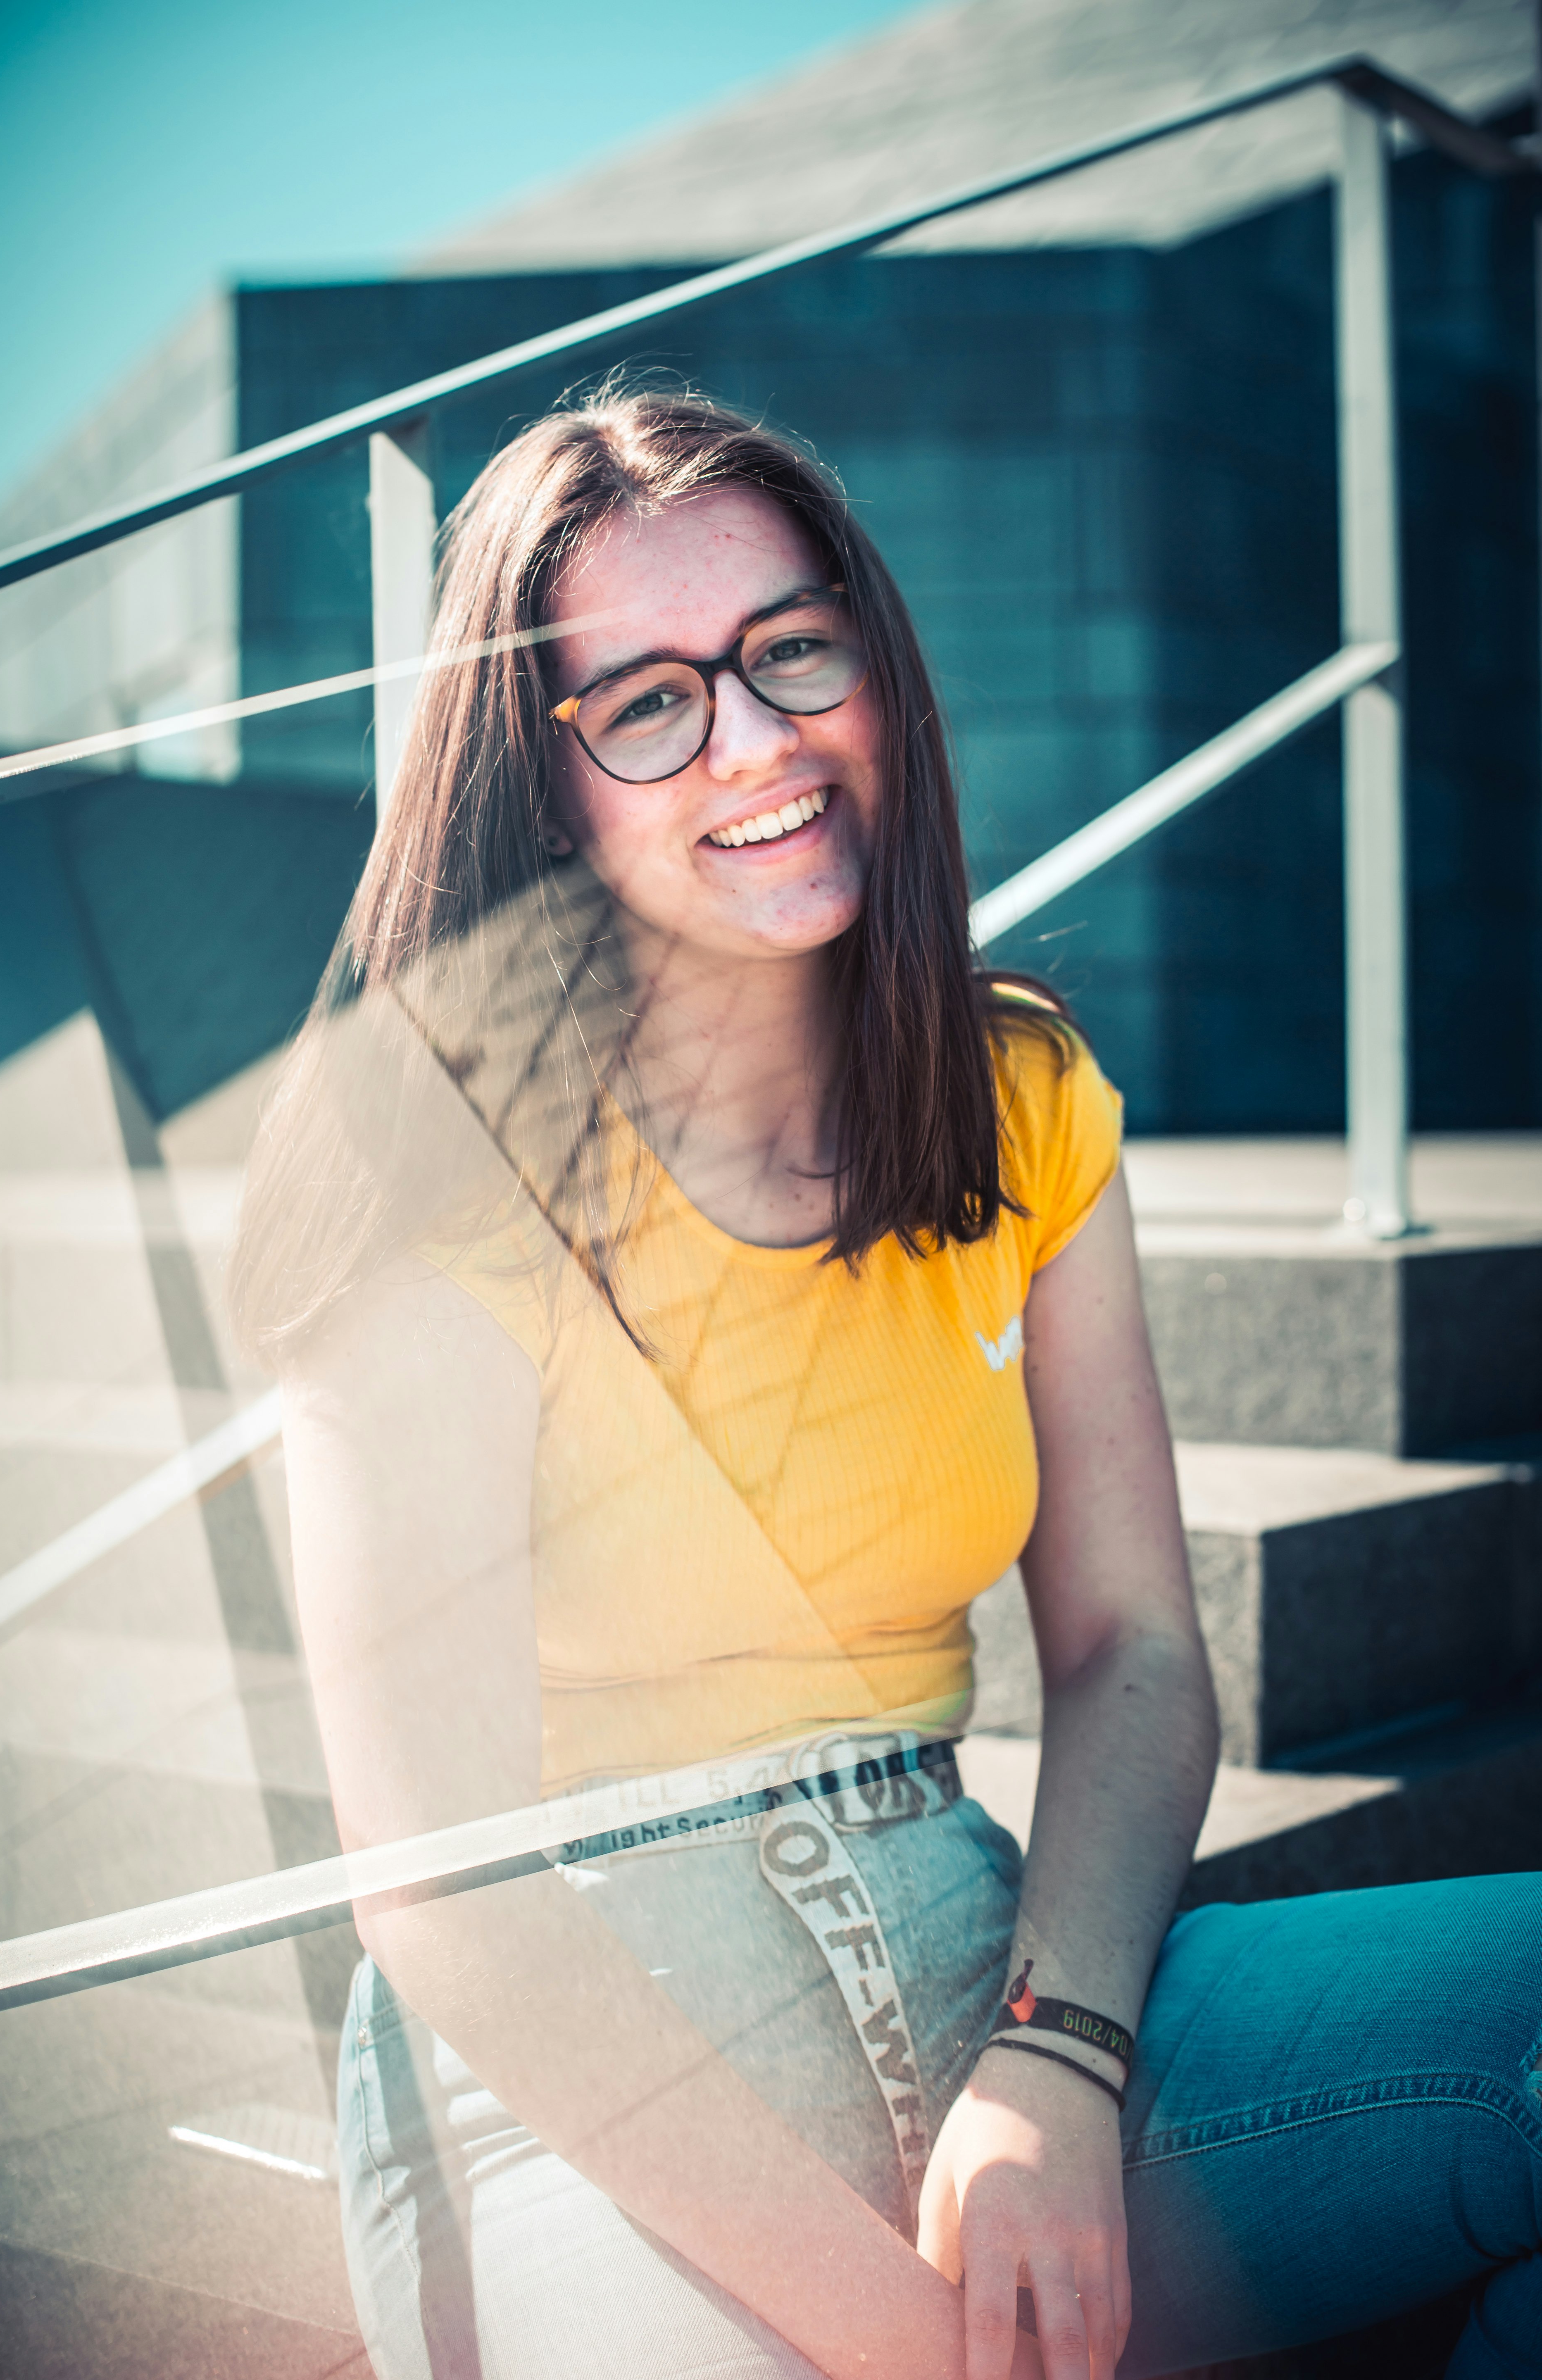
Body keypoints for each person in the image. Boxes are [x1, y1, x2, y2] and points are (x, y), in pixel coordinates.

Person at [232, 388, 1542, 2380]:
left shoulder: (1017, 1093)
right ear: (541, 778)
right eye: (651, 703)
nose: (757, 741)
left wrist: (1062, 2059)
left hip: (980, 1964)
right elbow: (446, 1891)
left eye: (790, 650)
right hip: (576, 2097)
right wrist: (909, 2345)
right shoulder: (423, 1170)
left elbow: (1132, 1651)